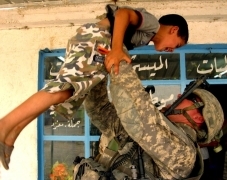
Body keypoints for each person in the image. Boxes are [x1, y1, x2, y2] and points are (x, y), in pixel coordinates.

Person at [0, 3, 189, 178]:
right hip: (97, 38)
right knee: (62, 91)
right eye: (177, 45)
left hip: (95, 41)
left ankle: (10, 135)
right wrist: (117, 48)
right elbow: (123, 14)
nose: (172, 50)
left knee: (66, 94)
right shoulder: (152, 23)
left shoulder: (146, 37)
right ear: (173, 29)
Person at [78, 61, 224, 179]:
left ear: (198, 118)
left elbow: (135, 116)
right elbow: (99, 110)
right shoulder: (158, 129)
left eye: (189, 98)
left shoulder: (185, 153)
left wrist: (118, 57)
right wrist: (97, 67)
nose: (180, 96)